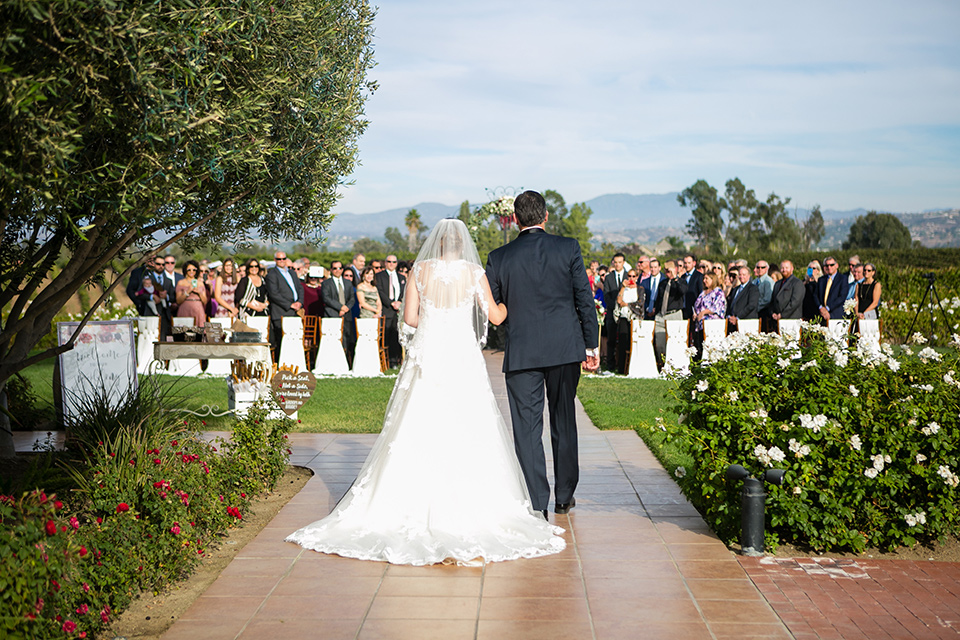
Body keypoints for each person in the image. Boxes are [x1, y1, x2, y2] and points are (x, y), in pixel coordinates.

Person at [286, 219, 566, 565]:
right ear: (462, 246)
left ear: (437, 244)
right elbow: (494, 317)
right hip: (461, 354)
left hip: (431, 351)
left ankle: (404, 499)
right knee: (468, 422)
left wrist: (438, 319)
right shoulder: (473, 272)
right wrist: (511, 305)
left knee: (420, 419)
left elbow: (411, 318)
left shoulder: (419, 271)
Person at [486, 191, 599, 518]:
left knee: (526, 428)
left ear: (515, 220)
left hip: (522, 351)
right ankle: (564, 497)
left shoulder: (499, 257)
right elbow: (584, 300)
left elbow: (495, 311)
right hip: (565, 348)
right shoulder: (568, 248)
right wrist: (590, 345)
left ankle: (537, 501)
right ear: (545, 216)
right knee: (564, 419)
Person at [265, 251, 304, 360]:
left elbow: (300, 288)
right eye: (279, 259)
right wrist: (290, 305)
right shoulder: (272, 275)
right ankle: (280, 364)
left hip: (295, 312)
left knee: (294, 339)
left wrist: (299, 302)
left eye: (283, 259)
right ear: (275, 260)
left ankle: (294, 362)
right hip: (281, 312)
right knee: (281, 341)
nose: (281, 261)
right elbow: (274, 294)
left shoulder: (292, 273)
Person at [320, 260, 357, 367]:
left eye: (340, 268)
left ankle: (345, 364)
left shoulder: (348, 283)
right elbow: (326, 298)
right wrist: (340, 307)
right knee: (333, 340)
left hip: (346, 316)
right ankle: (333, 363)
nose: (337, 270)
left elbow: (351, 299)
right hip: (332, 315)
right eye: (335, 268)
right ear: (331, 270)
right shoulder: (326, 283)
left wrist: (345, 308)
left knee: (346, 339)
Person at [652, 260, 687, 366]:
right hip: (661, 315)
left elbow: (682, 291)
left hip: (674, 315)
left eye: (669, 270)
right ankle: (662, 364)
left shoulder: (681, 282)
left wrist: (675, 277)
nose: (667, 272)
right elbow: (659, 298)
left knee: (675, 343)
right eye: (666, 270)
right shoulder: (663, 283)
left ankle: (675, 365)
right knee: (660, 342)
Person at [375, 254, 406, 368]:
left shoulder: (401, 277)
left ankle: (393, 361)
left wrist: (399, 303)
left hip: (397, 311)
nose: (391, 264)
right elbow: (380, 291)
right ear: (385, 263)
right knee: (385, 336)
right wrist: (390, 303)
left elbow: (404, 291)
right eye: (389, 261)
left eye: (393, 262)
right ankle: (384, 361)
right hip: (386, 309)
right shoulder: (379, 276)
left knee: (396, 336)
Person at [614, 269, 644, 374]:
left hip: (634, 318)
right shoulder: (624, 289)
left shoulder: (640, 289)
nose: (631, 278)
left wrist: (627, 304)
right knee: (622, 342)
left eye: (633, 276)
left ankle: (632, 367)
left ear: (636, 277)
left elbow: (640, 303)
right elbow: (618, 300)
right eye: (629, 276)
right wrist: (623, 287)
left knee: (633, 342)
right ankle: (622, 368)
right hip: (623, 317)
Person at [691, 271, 726, 358]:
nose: (704, 280)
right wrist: (696, 313)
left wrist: (704, 312)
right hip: (700, 325)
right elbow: (696, 305)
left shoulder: (718, 292)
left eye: (707, 278)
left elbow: (717, 307)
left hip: (712, 325)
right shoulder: (703, 293)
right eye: (704, 278)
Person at [602, 253, 627, 371]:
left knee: (623, 340)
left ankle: (622, 366)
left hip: (625, 313)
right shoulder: (608, 278)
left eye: (620, 262)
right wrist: (616, 307)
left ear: (623, 263)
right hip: (612, 312)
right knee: (611, 340)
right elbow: (606, 296)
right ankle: (610, 365)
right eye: (615, 262)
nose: (617, 264)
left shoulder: (628, 276)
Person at [175, 260, 208, 328]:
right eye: (189, 270)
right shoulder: (181, 283)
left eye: (194, 270)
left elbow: (205, 301)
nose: (191, 271)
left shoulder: (200, 283)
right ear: (185, 271)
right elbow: (178, 300)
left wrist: (199, 292)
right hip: (185, 309)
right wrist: (188, 291)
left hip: (198, 310)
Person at [726, 265, 758, 332]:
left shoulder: (753, 288)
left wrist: (738, 317)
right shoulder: (736, 289)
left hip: (746, 322)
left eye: (744, 275)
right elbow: (730, 303)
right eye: (740, 275)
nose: (741, 277)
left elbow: (751, 305)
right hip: (733, 323)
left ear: (749, 276)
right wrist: (729, 316)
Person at [818, 256, 849, 321]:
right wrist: (821, 308)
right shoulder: (821, 280)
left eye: (831, 265)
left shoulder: (843, 279)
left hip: (836, 315)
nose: (829, 267)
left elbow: (842, 296)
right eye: (827, 265)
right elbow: (816, 295)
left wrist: (827, 308)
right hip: (822, 315)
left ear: (836, 265)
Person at [680, 254, 704, 321]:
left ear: (694, 263)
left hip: (694, 310)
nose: (686, 265)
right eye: (685, 263)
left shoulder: (699, 276)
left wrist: (697, 310)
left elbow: (701, 294)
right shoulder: (683, 277)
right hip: (684, 309)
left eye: (689, 263)